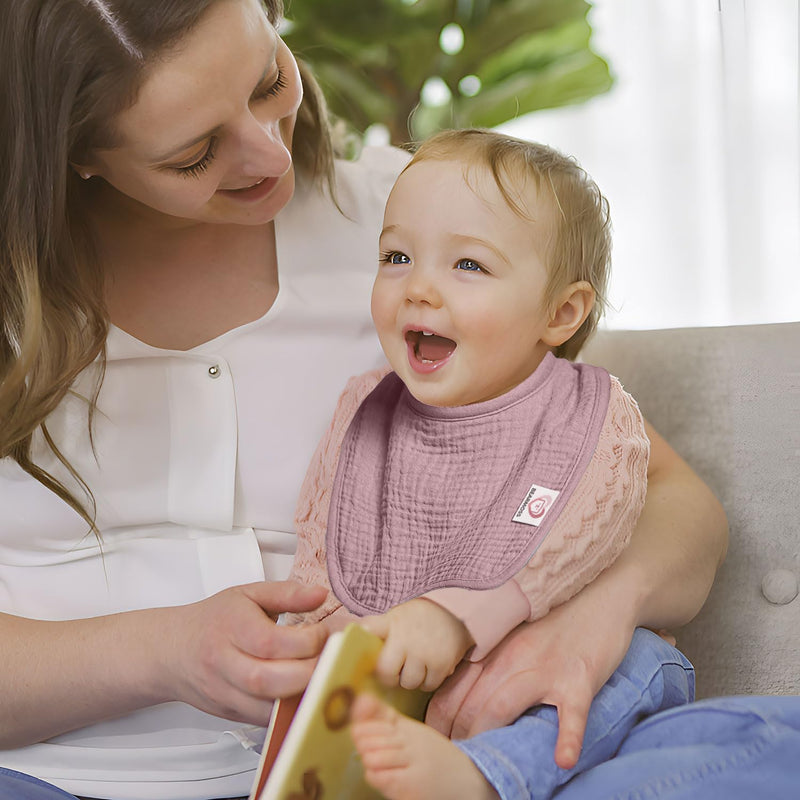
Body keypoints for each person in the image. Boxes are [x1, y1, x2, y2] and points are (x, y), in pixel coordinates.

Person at [0, 0, 728, 799]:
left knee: (761, 744)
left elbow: (658, 491)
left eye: (269, 79)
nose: (267, 153)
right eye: (195, 154)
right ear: (77, 155)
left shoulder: (419, 221)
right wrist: (160, 651)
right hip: (49, 775)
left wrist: (591, 622)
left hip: (393, 765)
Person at [285, 128, 693, 799]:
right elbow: (328, 540)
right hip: (422, 692)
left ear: (561, 312)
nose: (418, 287)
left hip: (555, 671)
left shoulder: (587, 416)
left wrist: (453, 617)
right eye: (396, 256)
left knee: (641, 665)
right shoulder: (367, 408)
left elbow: (576, 531)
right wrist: (322, 645)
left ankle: (487, 777)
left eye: (467, 266)